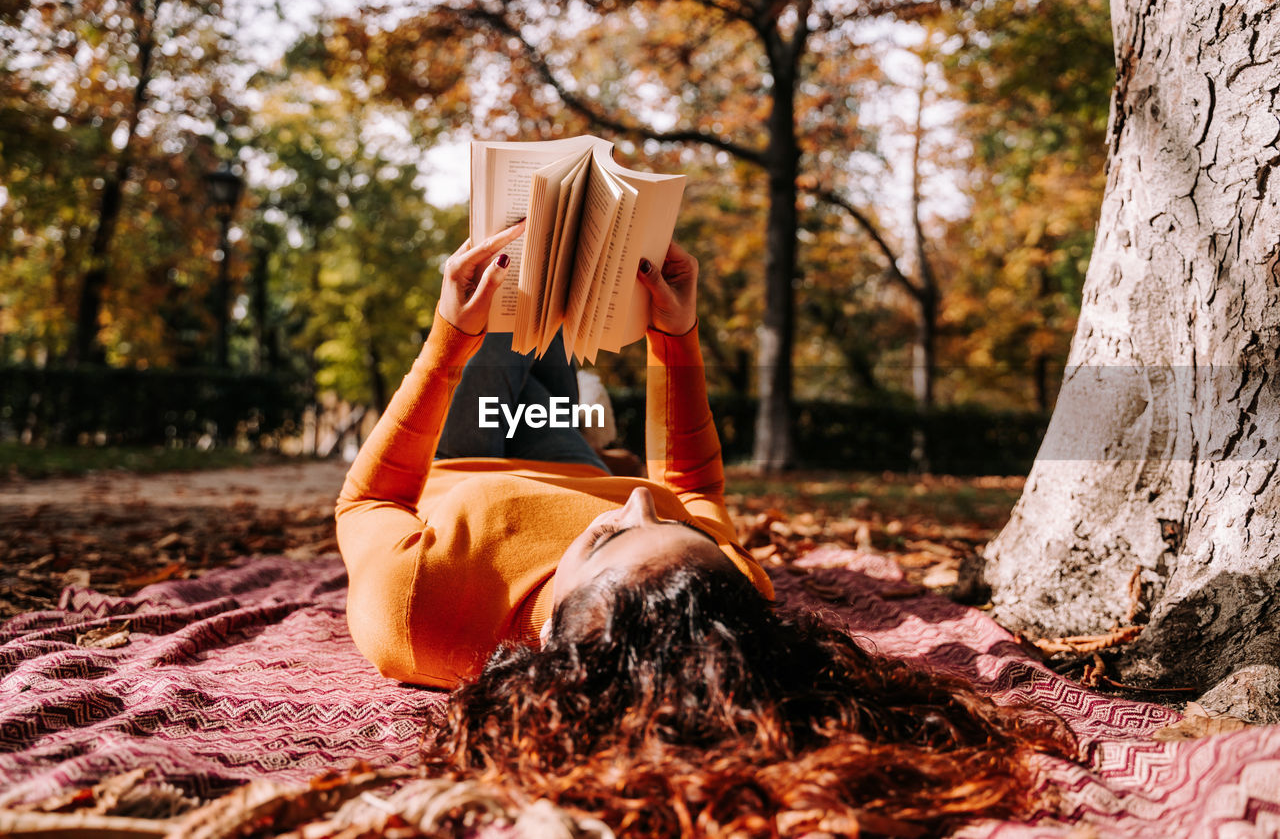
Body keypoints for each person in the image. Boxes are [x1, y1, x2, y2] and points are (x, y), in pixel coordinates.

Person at [336, 225, 1075, 835]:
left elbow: (367, 502)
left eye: (604, 539)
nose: (632, 506)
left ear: (568, 647)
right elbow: (691, 487)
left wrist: (447, 338)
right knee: (556, 321)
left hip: (458, 449)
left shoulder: (416, 612)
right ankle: (594, 416)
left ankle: (576, 390)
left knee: (510, 295)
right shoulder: (722, 582)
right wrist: (675, 333)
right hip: (571, 449)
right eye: (663, 520)